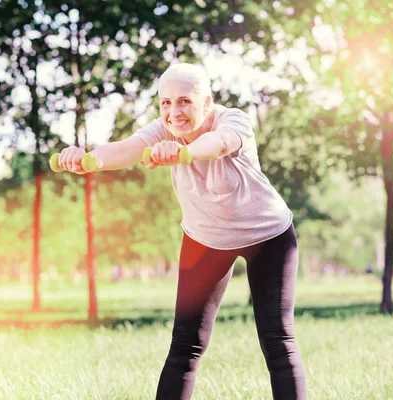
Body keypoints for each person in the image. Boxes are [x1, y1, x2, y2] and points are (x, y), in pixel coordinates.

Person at [55, 63, 307, 400]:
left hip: (268, 236)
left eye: (185, 101)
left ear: (207, 102)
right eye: (166, 103)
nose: (175, 112)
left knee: (277, 340)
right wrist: (87, 160)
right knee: (185, 346)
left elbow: (218, 145)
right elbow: (127, 148)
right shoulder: (164, 129)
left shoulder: (233, 120)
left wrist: (184, 154)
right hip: (206, 239)